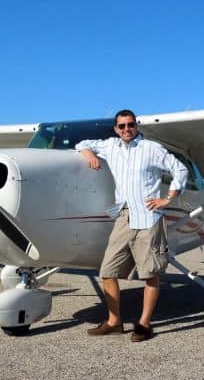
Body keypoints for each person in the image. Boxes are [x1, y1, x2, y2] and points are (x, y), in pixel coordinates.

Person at [75, 109, 188, 342]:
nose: (127, 129)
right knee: (107, 270)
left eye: (131, 125)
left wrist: (168, 199)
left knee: (150, 273)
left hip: (149, 216)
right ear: (116, 129)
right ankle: (114, 321)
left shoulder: (151, 149)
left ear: (136, 126)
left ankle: (144, 324)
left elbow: (180, 169)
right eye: (122, 126)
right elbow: (82, 143)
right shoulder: (110, 146)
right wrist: (89, 154)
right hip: (124, 216)